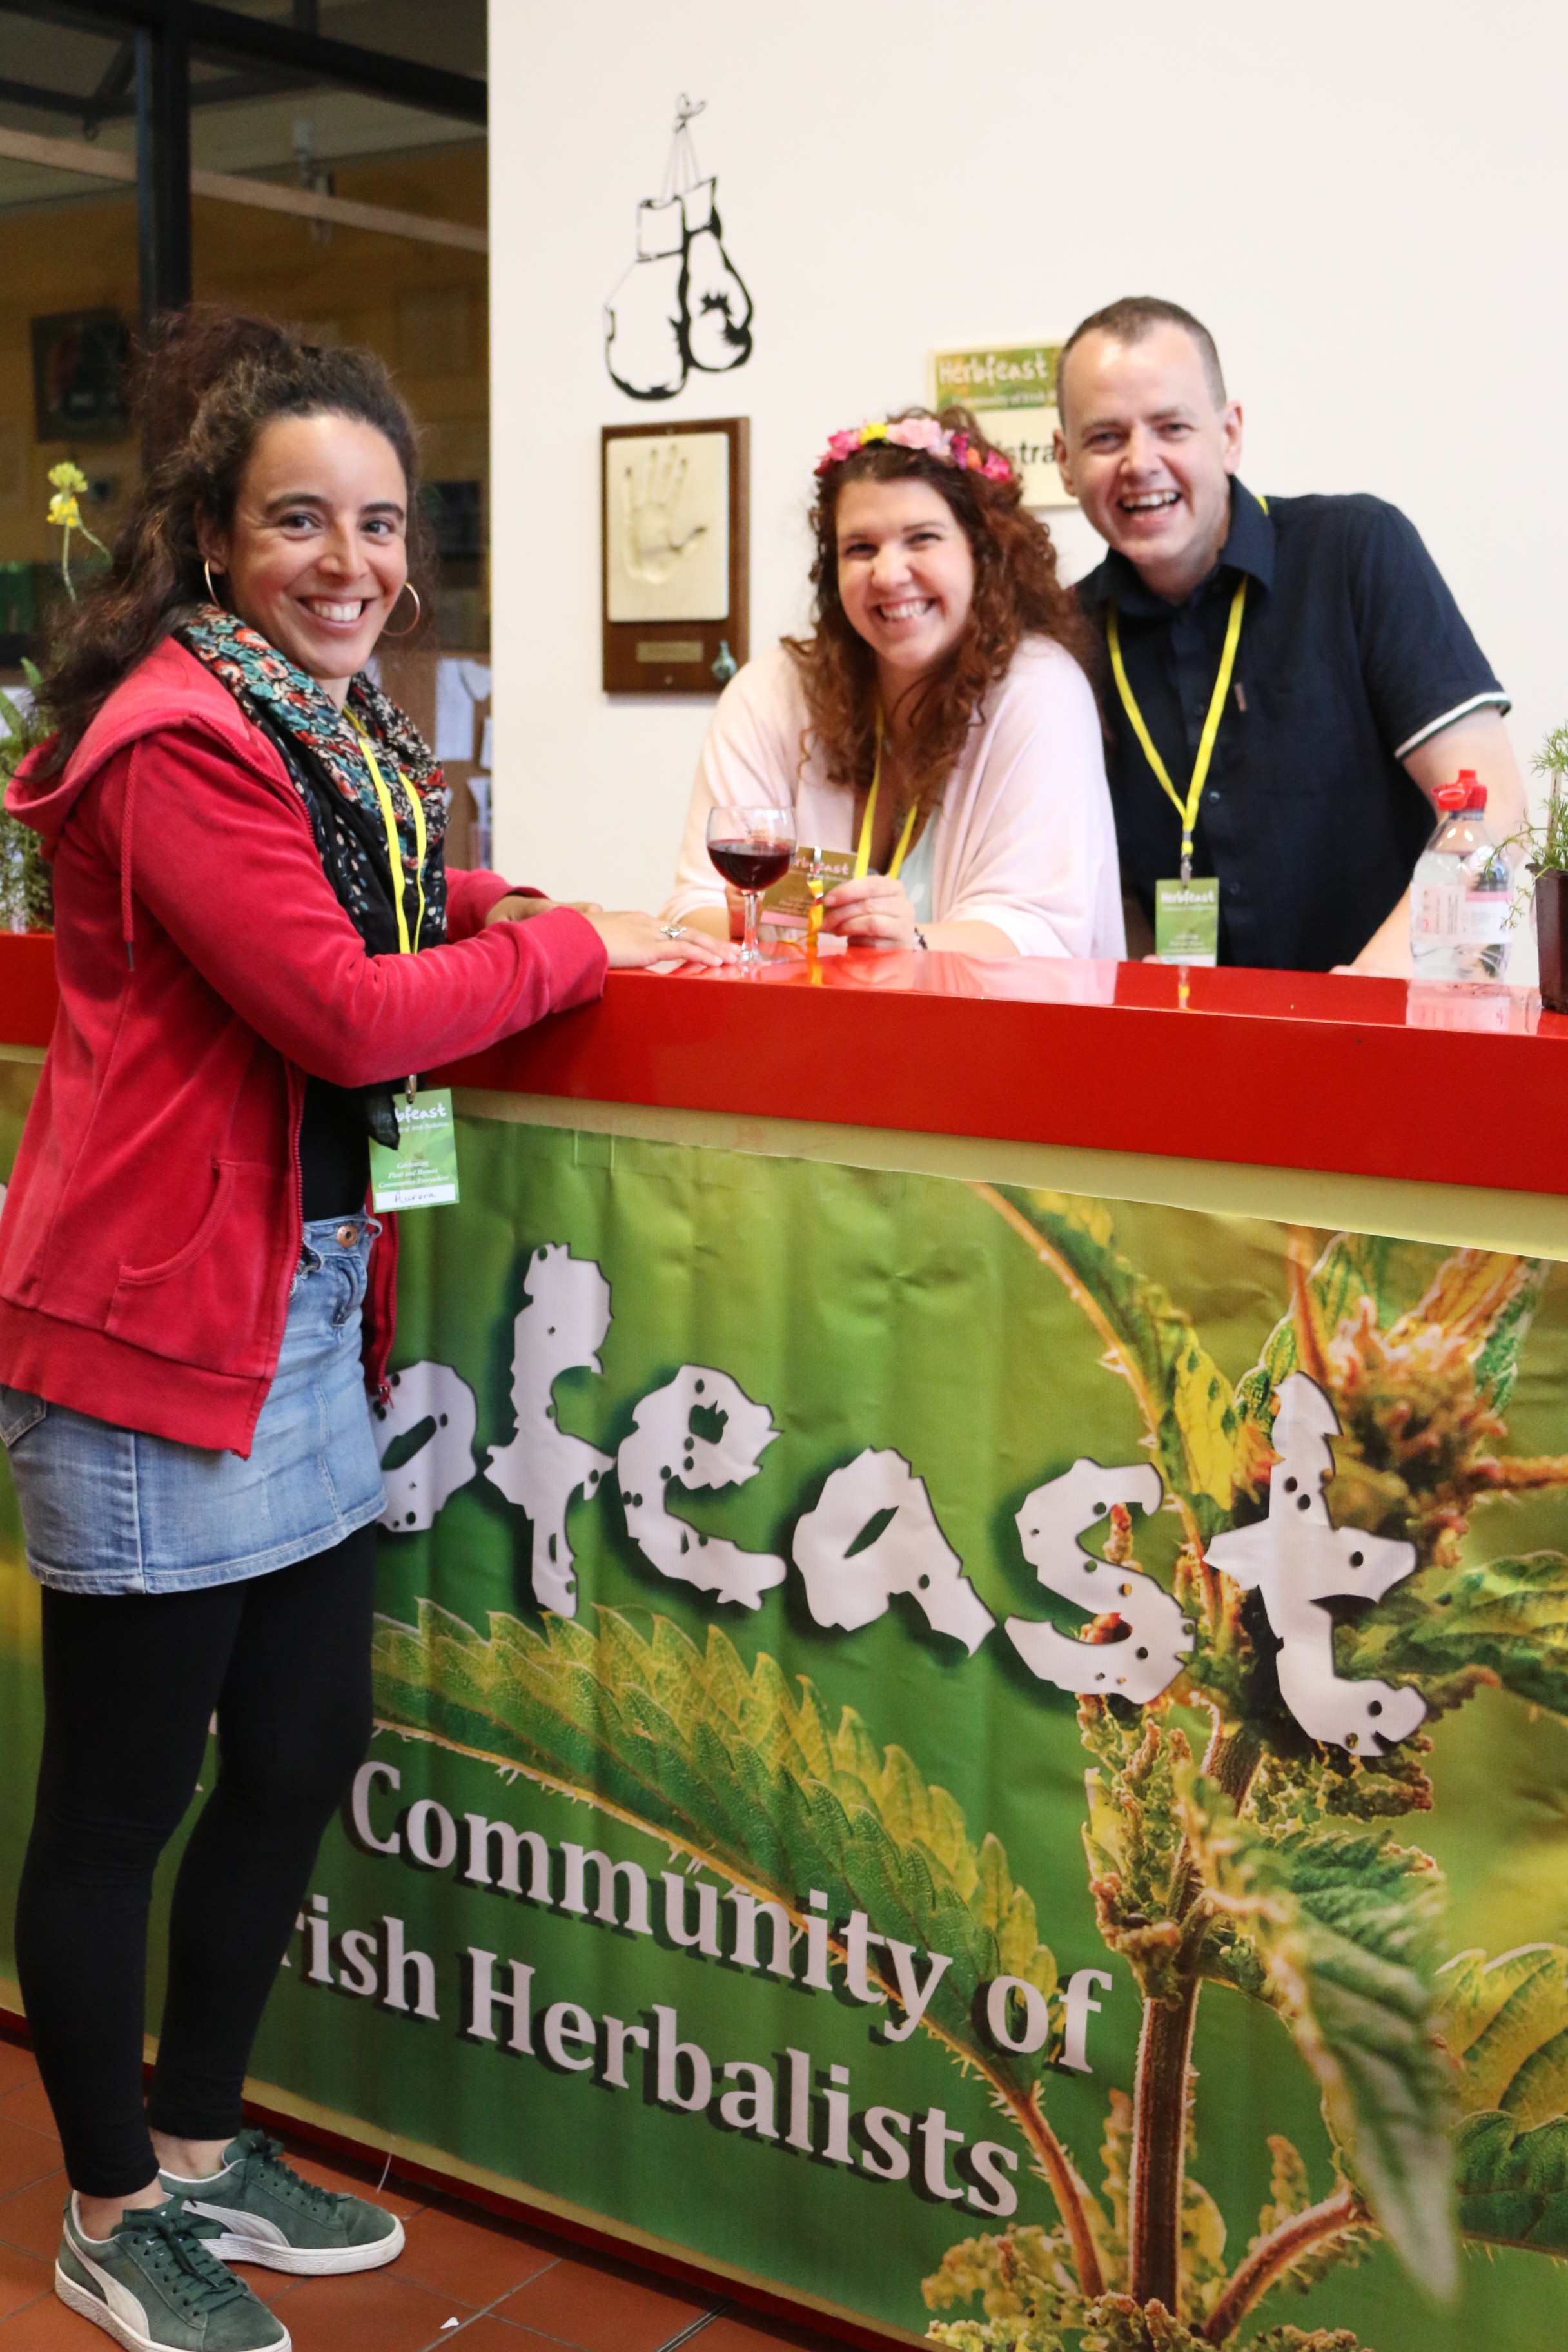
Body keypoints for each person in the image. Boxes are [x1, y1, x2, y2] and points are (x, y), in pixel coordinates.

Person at [0, 308, 729, 2352]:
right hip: (160, 1331)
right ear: (215, 539)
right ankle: (110, 2205)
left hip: (300, 1310)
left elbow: (366, 904)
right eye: (302, 521)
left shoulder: (317, 734)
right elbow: (333, 1007)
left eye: (383, 524)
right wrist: (571, 949)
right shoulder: (176, 736)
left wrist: (495, 902)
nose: (351, 560)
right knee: (117, 1806)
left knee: (303, 1744)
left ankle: (202, 2140)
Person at [1053, 296, 1526, 972]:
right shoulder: (1064, 638)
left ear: (1229, 434)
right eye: (1105, 437)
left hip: (1390, 1010)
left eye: (1172, 427)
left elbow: (1492, 809)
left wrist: (1366, 991)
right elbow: (1105, 880)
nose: (1140, 462)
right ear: (1064, 460)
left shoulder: (1354, 552)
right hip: (1192, 1030)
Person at [663, 406, 1125, 959]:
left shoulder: (1041, 691)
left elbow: (1042, 933)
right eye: (860, 548)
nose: (887, 574)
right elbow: (691, 908)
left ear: (984, 554)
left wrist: (912, 943)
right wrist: (748, 924)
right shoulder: (770, 693)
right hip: (798, 1016)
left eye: (921, 538)